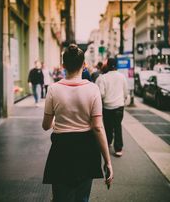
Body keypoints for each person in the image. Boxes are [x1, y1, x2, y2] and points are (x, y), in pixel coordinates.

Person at [42, 44, 113, 202]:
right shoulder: (93, 89)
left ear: (63, 65)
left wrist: (58, 123)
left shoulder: (53, 89)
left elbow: (46, 125)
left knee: (60, 198)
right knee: (82, 198)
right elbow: (97, 127)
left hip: (61, 149)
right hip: (86, 149)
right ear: (84, 65)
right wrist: (108, 162)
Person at [96, 58, 128, 157]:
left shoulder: (103, 78)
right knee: (117, 126)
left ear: (108, 66)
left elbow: (101, 93)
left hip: (107, 107)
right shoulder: (122, 77)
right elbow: (125, 92)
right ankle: (118, 149)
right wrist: (123, 99)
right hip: (119, 106)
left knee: (108, 126)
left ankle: (108, 142)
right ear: (116, 65)